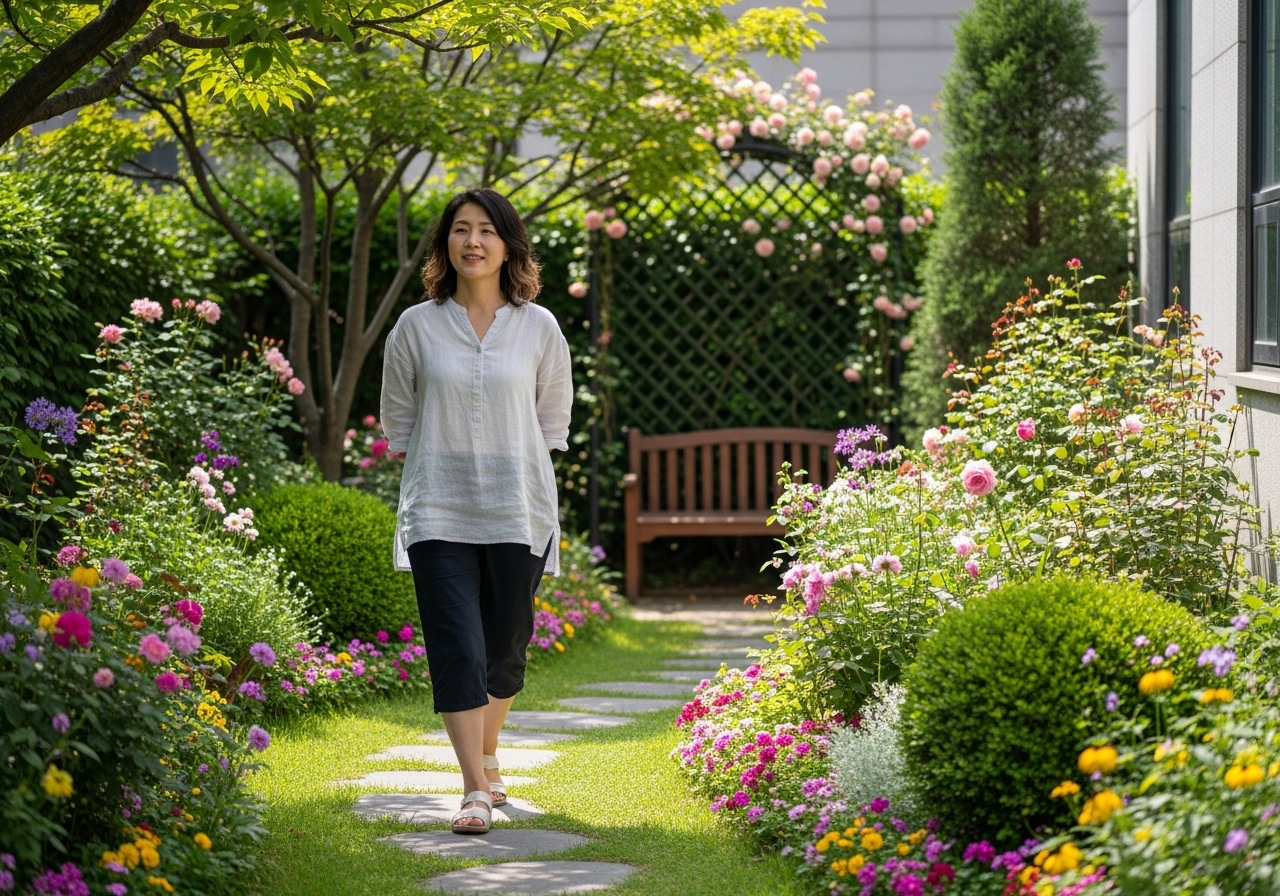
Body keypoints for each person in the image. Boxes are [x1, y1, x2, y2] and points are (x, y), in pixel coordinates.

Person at [380, 188, 572, 834]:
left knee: (505, 648)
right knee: (456, 646)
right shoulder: (416, 327)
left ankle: (488, 753)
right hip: (438, 508)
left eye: (487, 231)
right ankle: (472, 790)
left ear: (508, 245)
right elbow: (398, 418)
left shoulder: (540, 327)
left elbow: (552, 421)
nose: (473, 241)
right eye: (460, 230)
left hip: (519, 510)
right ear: (446, 245)